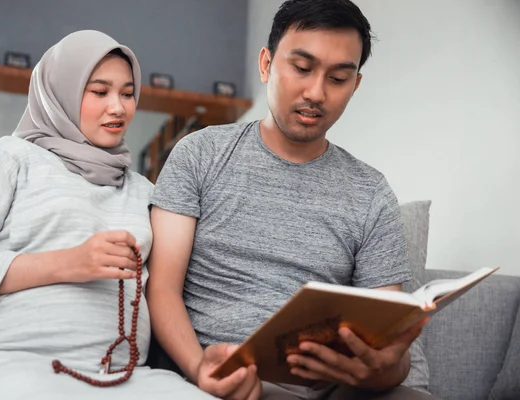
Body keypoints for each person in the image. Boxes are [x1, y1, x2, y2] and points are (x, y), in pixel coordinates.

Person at [147, 1, 436, 399]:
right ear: (266, 64)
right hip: (223, 373)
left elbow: (389, 340)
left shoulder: (371, 193)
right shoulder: (200, 154)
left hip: (331, 386)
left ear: (355, 85)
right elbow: (161, 287)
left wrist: (385, 369)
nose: (316, 93)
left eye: (338, 78)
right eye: (302, 68)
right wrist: (200, 369)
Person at [0, 30, 215, 400]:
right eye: (99, 91)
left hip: (116, 376)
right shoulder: (12, 157)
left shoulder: (144, 191)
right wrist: (68, 263)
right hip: (3, 361)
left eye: (127, 93)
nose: (118, 107)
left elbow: (167, 289)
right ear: (61, 92)